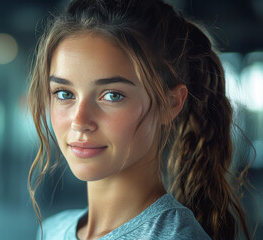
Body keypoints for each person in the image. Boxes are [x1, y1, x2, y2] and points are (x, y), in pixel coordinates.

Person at [28, 0, 251, 239]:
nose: (80, 120)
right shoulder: (50, 230)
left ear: (171, 103)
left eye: (112, 95)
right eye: (64, 94)